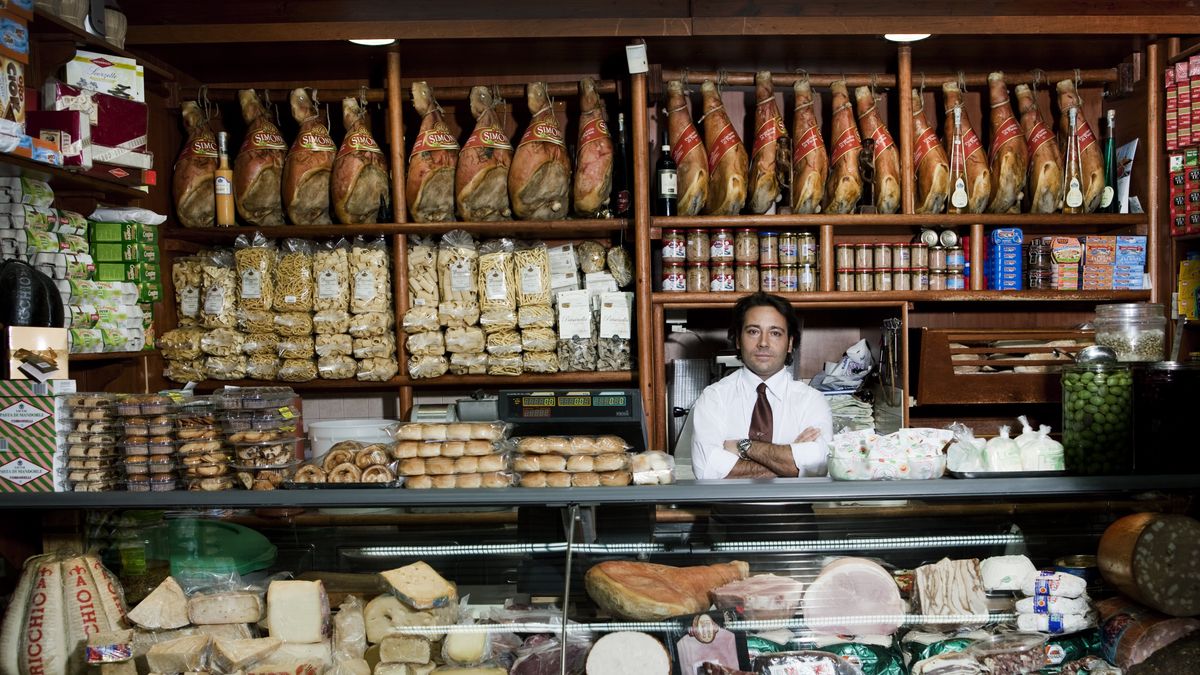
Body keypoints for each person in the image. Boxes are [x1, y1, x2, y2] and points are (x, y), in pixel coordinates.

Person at [690, 292, 833, 480]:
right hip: (729, 509)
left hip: (795, 510)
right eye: (753, 331)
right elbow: (707, 470)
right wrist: (790, 462)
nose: (763, 343)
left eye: (775, 333)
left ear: (789, 343)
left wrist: (745, 446)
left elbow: (819, 465)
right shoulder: (714, 397)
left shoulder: (812, 401)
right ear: (738, 340)